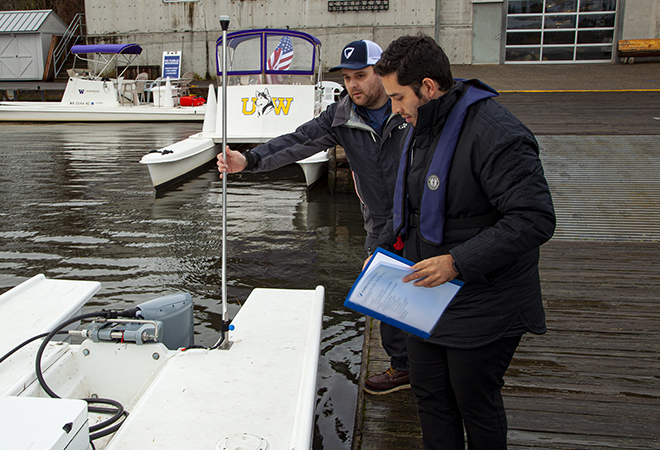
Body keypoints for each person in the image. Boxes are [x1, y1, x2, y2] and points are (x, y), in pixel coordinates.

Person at [372, 34, 555, 450]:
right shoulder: (418, 125)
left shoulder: (496, 133)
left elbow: (534, 218)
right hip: (426, 296)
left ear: (429, 88)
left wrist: (457, 262)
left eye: (399, 98)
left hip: (486, 299)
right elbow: (410, 207)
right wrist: (379, 255)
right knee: (431, 397)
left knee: (474, 401)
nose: (395, 110)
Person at [217, 40, 412, 394]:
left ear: (381, 74)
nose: (353, 85)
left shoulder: (409, 108)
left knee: (432, 285)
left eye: (362, 76)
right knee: (386, 296)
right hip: (379, 219)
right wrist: (249, 160)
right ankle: (403, 367)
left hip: (420, 213)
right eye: (348, 77)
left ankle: (442, 360)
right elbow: (297, 140)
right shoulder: (341, 117)